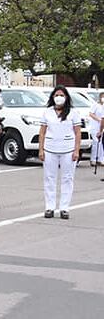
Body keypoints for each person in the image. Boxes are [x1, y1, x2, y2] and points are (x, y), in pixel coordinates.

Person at [39, 86, 81, 219]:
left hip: (68, 149)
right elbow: (42, 132)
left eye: (61, 95)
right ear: (52, 97)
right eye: (56, 95)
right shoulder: (47, 112)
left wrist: (76, 150)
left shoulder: (73, 112)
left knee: (67, 178)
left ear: (66, 97)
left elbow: (77, 132)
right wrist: (41, 149)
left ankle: (64, 208)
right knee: (49, 178)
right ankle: (49, 207)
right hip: (50, 148)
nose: (59, 97)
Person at [87, 92, 104, 169]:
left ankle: (100, 159)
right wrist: (98, 119)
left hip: (102, 127)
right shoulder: (96, 105)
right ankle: (93, 159)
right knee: (96, 142)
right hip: (95, 126)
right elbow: (91, 113)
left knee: (101, 143)